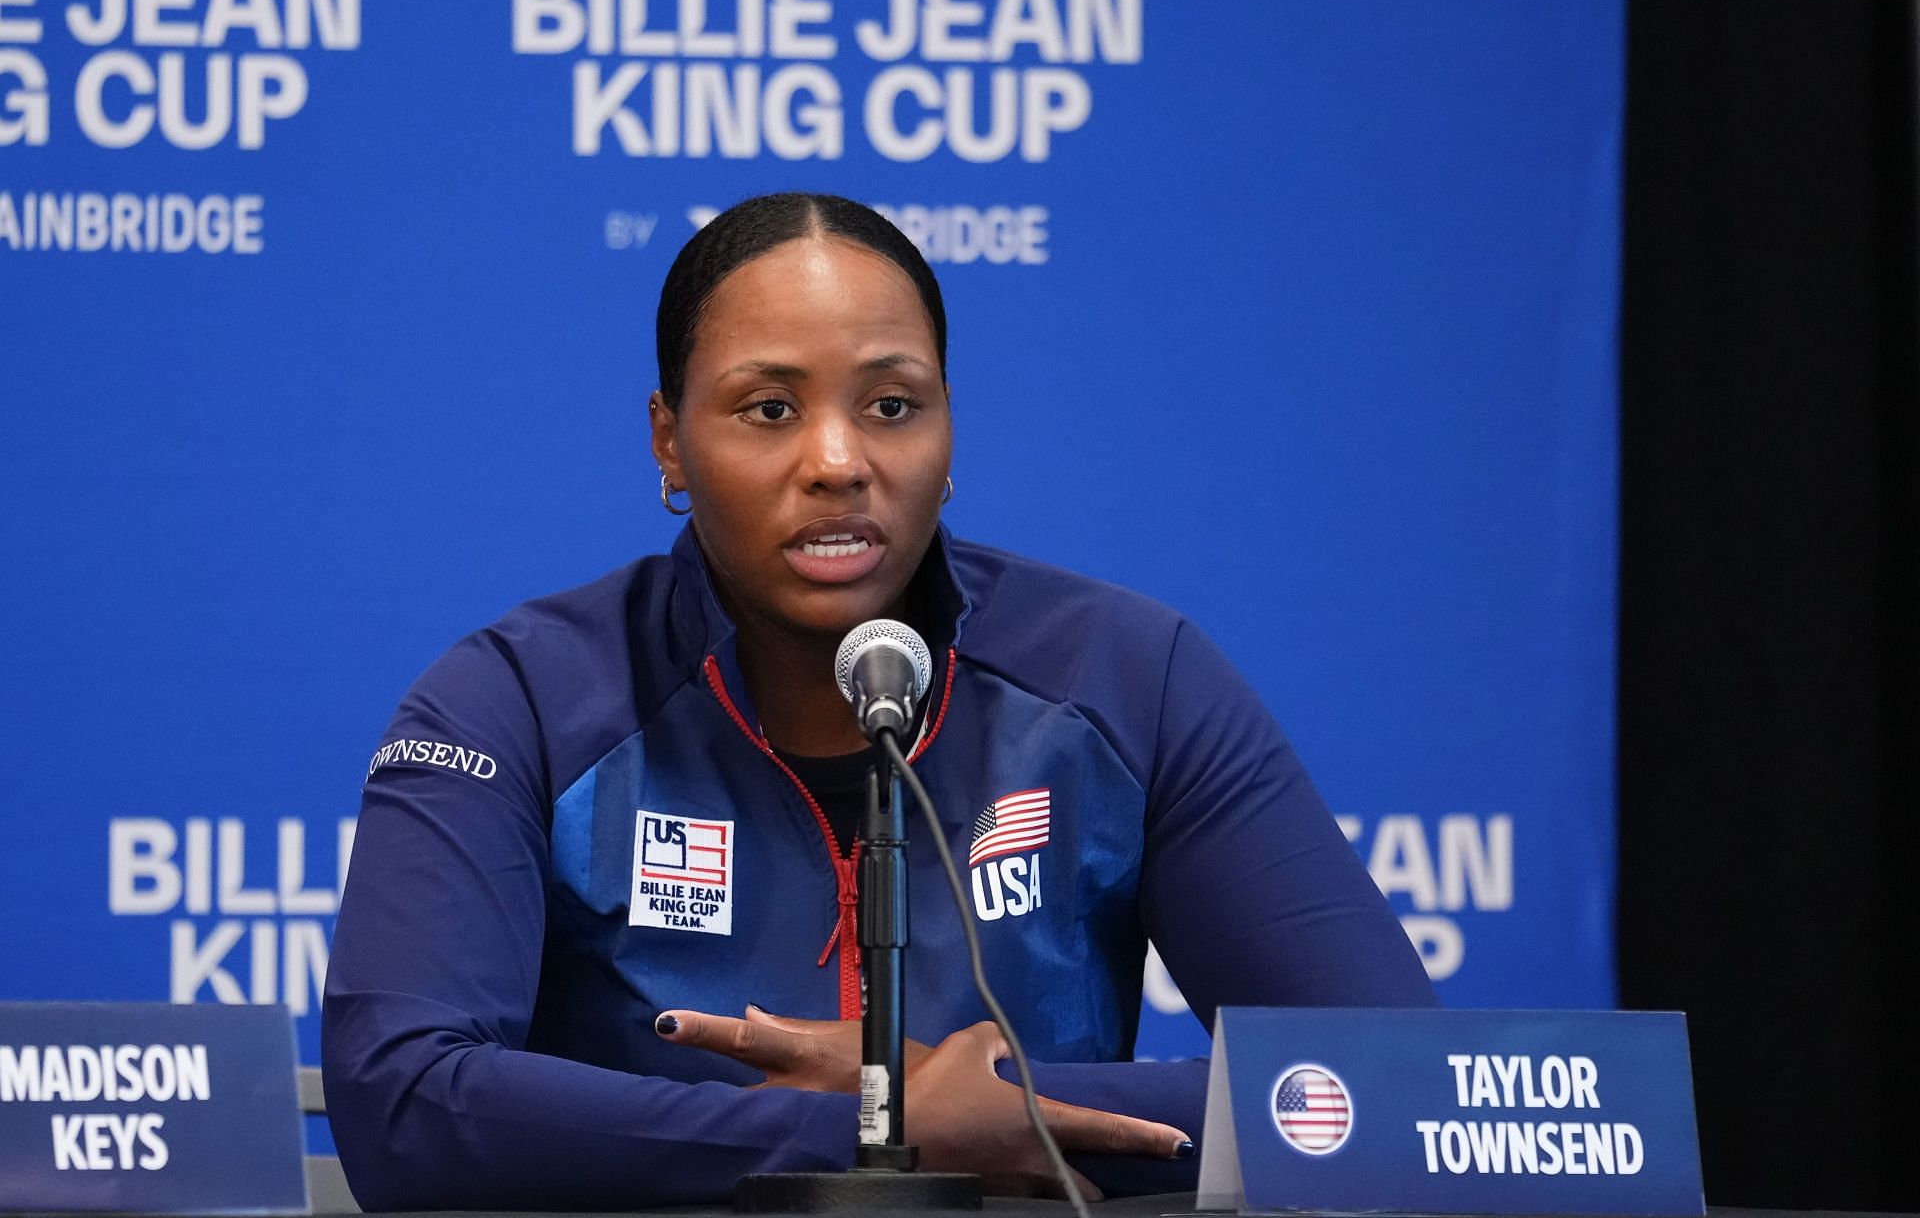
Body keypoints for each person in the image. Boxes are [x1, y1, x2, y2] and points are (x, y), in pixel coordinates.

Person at [321, 192, 1436, 1210]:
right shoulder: (514, 701)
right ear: (669, 440)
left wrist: (1013, 1102)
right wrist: (878, 1124)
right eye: (768, 409)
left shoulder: (1127, 678)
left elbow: (1406, 1093)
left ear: (950, 430)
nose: (840, 460)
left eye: (893, 404)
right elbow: (403, 1105)